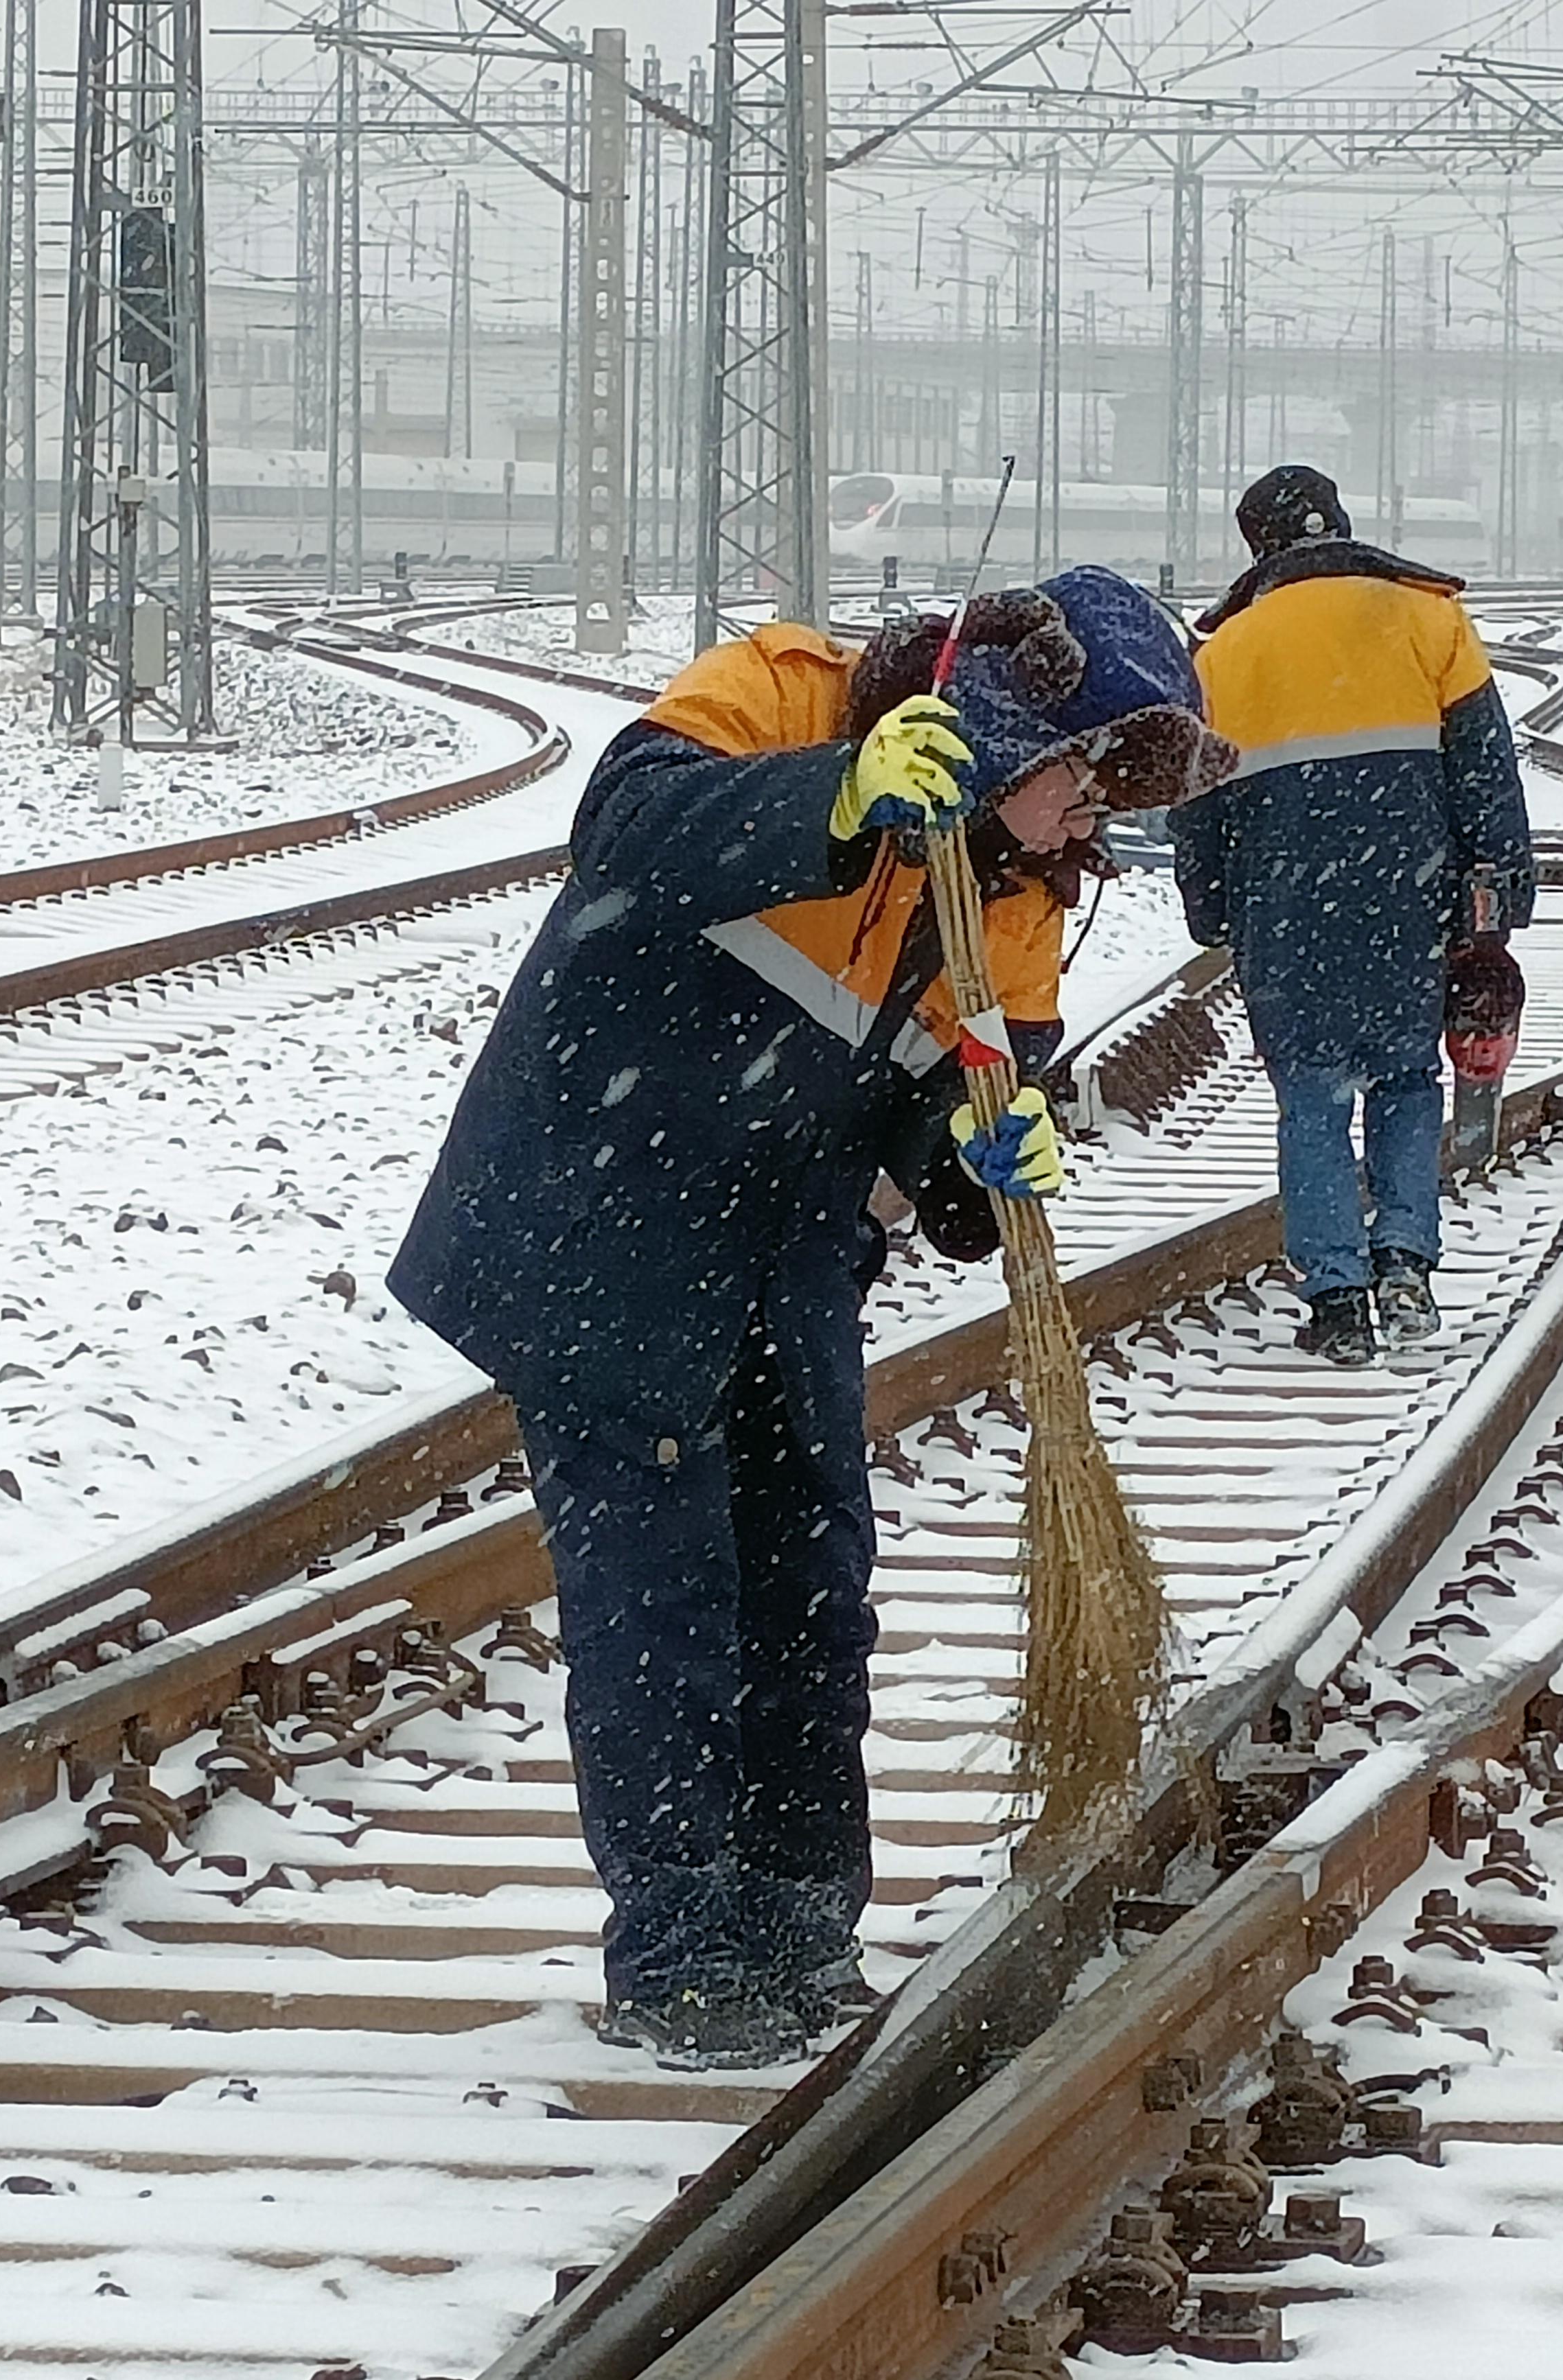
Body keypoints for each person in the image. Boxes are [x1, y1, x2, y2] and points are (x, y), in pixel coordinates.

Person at [389, 568, 1234, 2069]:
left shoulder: (1020, 890)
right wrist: (832, 793)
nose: (1087, 824)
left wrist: (984, 1157)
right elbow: (628, 829)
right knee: (663, 1604)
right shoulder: (782, 694)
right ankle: (677, 1950)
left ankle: (795, 1916)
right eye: (1080, 781)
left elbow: (970, 1088)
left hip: (787, 1250)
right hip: (600, 1214)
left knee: (811, 1581)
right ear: (995, 725)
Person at [1178, 464, 1537, 1366]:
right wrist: (1495, 892)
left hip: (1286, 908)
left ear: (1257, 547)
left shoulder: (1223, 654)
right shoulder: (1425, 618)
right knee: (1407, 1080)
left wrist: (1211, 908)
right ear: (1338, 523)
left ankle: (1337, 1297)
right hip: (1405, 896)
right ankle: (1406, 1263)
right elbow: (1485, 766)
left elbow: (1198, 807)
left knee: (1310, 1096)